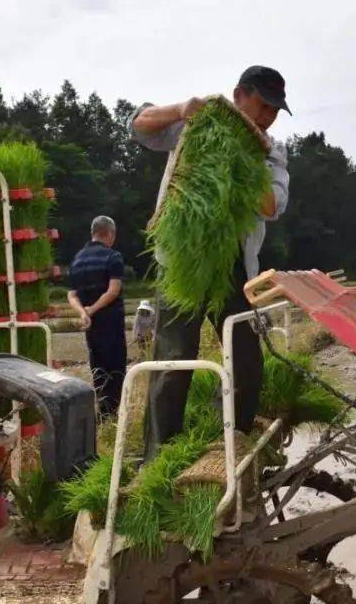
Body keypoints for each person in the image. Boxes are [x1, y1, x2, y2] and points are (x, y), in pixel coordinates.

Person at [128, 65, 291, 460]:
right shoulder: (198, 123)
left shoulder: (272, 151)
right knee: (173, 360)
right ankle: (159, 459)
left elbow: (272, 205)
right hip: (184, 258)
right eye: (263, 105)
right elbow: (139, 125)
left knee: (247, 360)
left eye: (275, 110)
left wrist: (243, 155)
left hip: (235, 266)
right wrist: (184, 109)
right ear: (239, 95)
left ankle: (230, 446)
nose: (268, 116)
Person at [67, 215, 127, 416]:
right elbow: (113, 290)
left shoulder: (77, 259)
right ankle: (112, 414)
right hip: (111, 322)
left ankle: (102, 410)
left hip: (91, 325)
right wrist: (92, 309)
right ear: (109, 234)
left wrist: (83, 312)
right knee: (116, 368)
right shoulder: (113, 256)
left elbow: (72, 294)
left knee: (98, 367)